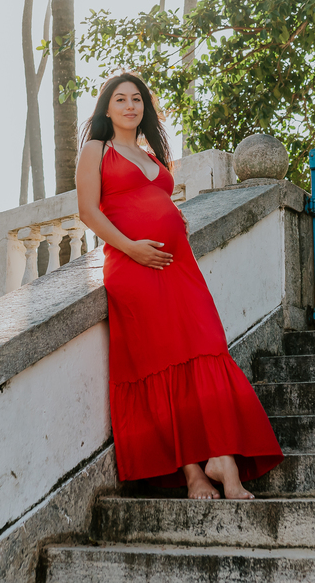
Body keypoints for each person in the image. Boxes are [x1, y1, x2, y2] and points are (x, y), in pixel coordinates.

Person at [75, 71, 283, 500]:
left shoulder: (150, 154)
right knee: (163, 360)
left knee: (207, 346)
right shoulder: (96, 150)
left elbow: (151, 199)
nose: (130, 106)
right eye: (121, 99)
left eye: (137, 99)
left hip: (178, 265)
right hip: (132, 267)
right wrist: (133, 248)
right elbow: (89, 212)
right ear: (107, 108)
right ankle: (193, 472)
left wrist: (171, 216)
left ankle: (221, 457)